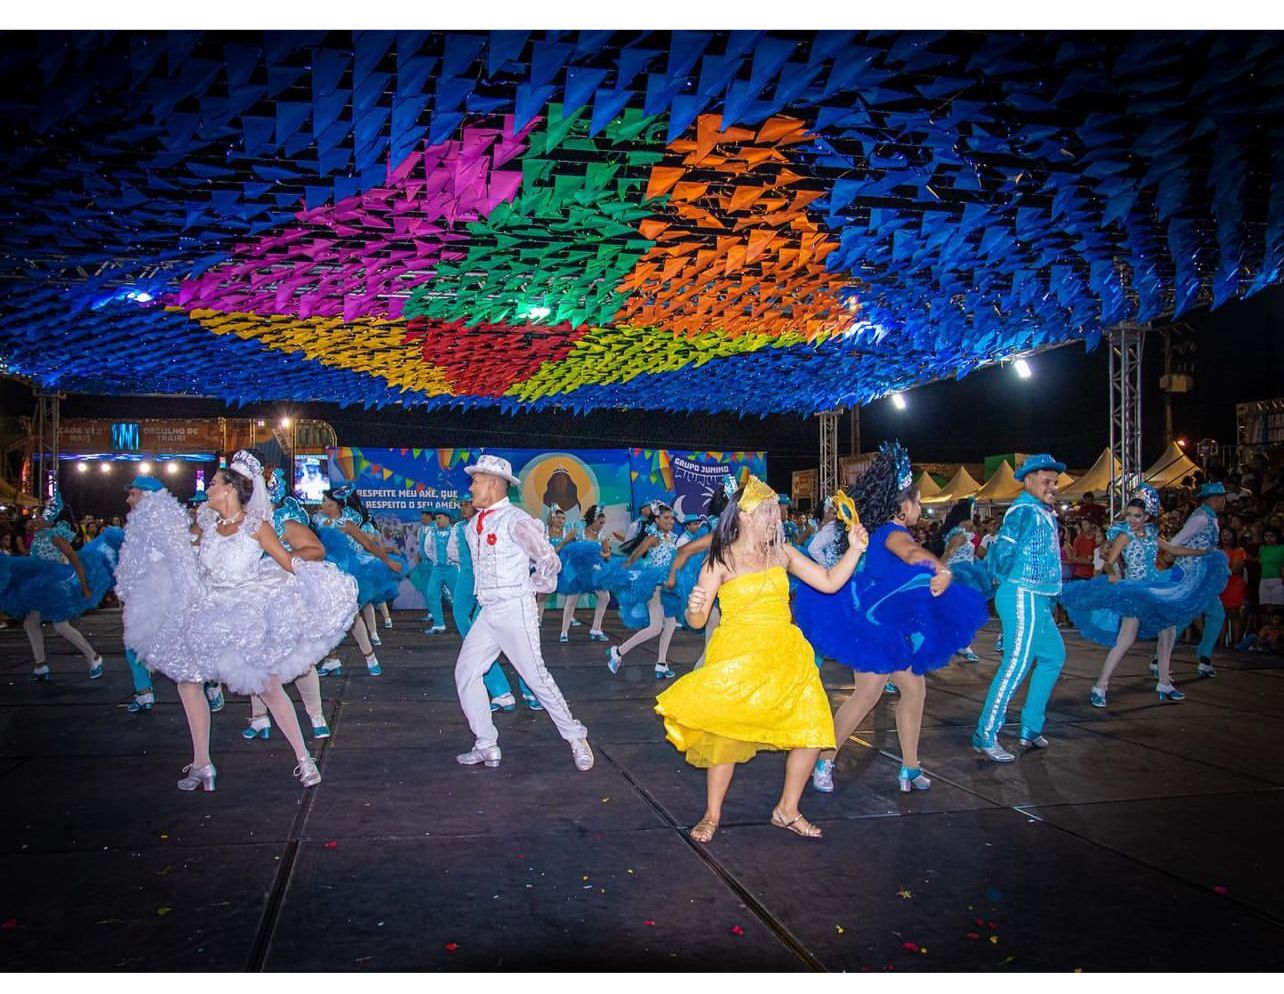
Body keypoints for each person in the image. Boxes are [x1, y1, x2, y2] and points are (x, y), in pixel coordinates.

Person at [116, 449, 357, 791]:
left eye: (214, 483)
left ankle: (305, 759)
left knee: (267, 686)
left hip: (244, 613)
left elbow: (288, 562)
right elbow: (187, 562)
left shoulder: (257, 527)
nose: (208, 488)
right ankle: (202, 765)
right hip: (207, 611)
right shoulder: (207, 528)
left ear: (230, 488)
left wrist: (322, 584)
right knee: (188, 681)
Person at [654, 475, 868, 843]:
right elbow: (698, 620)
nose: (776, 518)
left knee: (813, 728)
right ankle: (712, 814)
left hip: (785, 653)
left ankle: (787, 809)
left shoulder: (782, 552)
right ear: (744, 516)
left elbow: (829, 581)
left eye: (775, 512)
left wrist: (855, 550)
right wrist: (694, 608)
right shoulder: (721, 560)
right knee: (726, 735)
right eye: (768, 512)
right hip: (738, 656)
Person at [794, 445, 988, 794]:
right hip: (875, 629)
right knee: (867, 694)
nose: (921, 508)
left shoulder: (889, 530)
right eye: (918, 502)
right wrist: (941, 568)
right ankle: (824, 758)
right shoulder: (893, 532)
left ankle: (910, 766)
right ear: (903, 505)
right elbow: (911, 553)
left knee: (914, 690)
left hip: (892, 628)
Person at [451, 454, 594, 772]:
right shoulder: (473, 526)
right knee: (466, 673)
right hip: (488, 610)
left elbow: (549, 560)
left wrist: (531, 588)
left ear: (493, 484)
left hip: (514, 608)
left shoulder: (516, 520)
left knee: (535, 676)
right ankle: (486, 744)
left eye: (476, 481)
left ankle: (576, 737)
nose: (471, 487)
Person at [1064, 486, 1224, 708]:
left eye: (1137, 516)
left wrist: (1203, 553)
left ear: (1146, 517)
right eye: (1129, 515)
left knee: (1168, 630)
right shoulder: (1124, 536)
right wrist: (1112, 574)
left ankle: (1164, 683)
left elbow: (1173, 549)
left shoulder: (1150, 534)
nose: (1132, 519)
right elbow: (1110, 562)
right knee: (1126, 639)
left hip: (1154, 586)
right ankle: (1100, 686)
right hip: (1135, 590)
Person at [972, 453, 1068, 763]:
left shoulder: (1042, 511)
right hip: (1022, 593)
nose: (1052, 487)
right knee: (1016, 664)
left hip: (1037, 597)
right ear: (1028, 481)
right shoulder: (1025, 510)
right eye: (1046, 481)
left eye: (1055, 482)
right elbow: (1003, 552)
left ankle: (1030, 726)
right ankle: (986, 734)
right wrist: (1005, 582)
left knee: (1053, 656)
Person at [241, 469, 334, 741]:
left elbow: (317, 550)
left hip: (283, 599)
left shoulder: (283, 522)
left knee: (299, 659)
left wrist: (277, 559)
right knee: (253, 658)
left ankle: (315, 715)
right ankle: (259, 716)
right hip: (249, 599)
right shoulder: (236, 523)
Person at [0, 491, 116, 682]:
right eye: (35, 518)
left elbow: (75, 561)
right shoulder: (37, 538)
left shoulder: (55, 537)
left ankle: (93, 656)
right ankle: (41, 665)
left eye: (39, 518)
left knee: (61, 626)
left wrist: (85, 587)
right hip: (40, 588)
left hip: (56, 588)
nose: (35, 521)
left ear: (48, 521)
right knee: (30, 622)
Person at [605, 503, 682, 679]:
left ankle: (661, 664)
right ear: (657, 519)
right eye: (666, 518)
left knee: (670, 623)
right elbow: (634, 555)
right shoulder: (653, 538)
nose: (670, 521)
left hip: (666, 587)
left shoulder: (671, 537)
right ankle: (618, 651)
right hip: (654, 586)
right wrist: (621, 572)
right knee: (655, 627)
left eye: (672, 518)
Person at [1163, 482, 1229, 678]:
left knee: (1215, 614)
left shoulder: (1209, 517)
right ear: (1215, 499)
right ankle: (1162, 658)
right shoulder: (1200, 518)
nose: (1225, 501)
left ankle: (1204, 658)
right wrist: (1196, 554)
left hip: (1203, 574)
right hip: (1193, 573)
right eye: (1223, 498)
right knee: (1190, 614)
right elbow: (1175, 542)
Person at [556, 503, 613, 643]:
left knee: (605, 597)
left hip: (594, 572)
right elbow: (562, 544)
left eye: (603, 523)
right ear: (593, 519)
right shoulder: (578, 531)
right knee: (571, 600)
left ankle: (596, 629)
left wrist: (602, 555)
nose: (602, 525)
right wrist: (551, 557)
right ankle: (564, 631)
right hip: (578, 571)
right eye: (600, 522)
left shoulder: (602, 535)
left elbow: (607, 554)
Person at [940, 497, 983, 662]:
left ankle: (963, 644)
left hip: (966, 574)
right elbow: (949, 553)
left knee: (963, 612)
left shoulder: (963, 534)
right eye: (970, 515)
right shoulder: (959, 535)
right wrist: (938, 569)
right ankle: (960, 644)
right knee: (962, 612)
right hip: (958, 576)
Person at [417, 509, 460, 635]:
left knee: (458, 596)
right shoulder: (432, 532)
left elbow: (460, 549)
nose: (437, 521)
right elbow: (427, 549)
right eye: (436, 518)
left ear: (447, 518)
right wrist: (436, 560)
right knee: (432, 594)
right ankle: (439, 624)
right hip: (437, 569)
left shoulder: (455, 532)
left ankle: (463, 622)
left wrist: (455, 562)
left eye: (440, 518)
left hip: (452, 568)